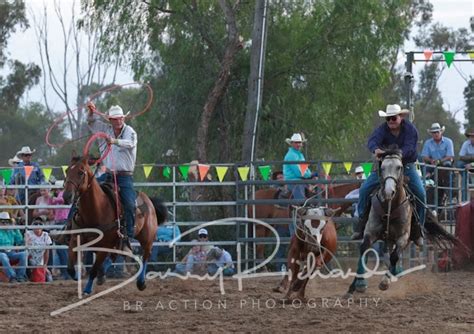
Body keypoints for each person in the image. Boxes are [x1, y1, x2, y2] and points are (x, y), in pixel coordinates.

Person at [351, 104, 426, 245]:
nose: (390, 121)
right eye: (388, 118)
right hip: (385, 166)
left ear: (400, 117)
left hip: (406, 165)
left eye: (393, 118)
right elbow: (372, 141)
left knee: (421, 193)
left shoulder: (410, 130)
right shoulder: (382, 129)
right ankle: (361, 223)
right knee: (365, 189)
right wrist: (375, 149)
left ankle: (418, 228)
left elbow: (410, 148)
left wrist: (397, 154)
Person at [86, 102, 138, 245]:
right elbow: (91, 122)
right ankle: (69, 225)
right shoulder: (105, 129)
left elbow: (130, 143)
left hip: (124, 177)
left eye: (120, 118)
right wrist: (91, 111)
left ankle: (129, 235)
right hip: (108, 175)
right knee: (84, 191)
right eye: (115, 119)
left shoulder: (130, 131)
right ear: (110, 120)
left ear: (123, 118)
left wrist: (113, 140)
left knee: (129, 204)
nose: (119, 121)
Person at [283, 133, 311, 201]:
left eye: (299, 143)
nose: (298, 144)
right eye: (296, 143)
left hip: (300, 180)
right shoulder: (291, 155)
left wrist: (308, 174)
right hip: (293, 180)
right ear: (292, 143)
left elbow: (305, 169)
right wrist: (309, 174)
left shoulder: (300, 155)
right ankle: (299, 208)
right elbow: (299, 172)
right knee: (301, 200)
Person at [0, 212, 28, 282]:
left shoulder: (12, 230)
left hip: (11, 252)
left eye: (7, 221)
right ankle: (12, 276)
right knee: (3, 256)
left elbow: (20, 241)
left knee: (24, 254)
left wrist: (15, 228)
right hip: (1, 252)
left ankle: (20, 276)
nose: (5, 223)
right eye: (3, 221)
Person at [25, 216, 53, 282]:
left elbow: (47, 252)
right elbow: (26, 246)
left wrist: (45, 265)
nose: (37, 226)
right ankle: (28, 275)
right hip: (30, 259)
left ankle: (45, 271)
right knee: (30, 260)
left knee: (49, 279)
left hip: (41, 260)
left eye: (40, 224)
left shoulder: (46, 235)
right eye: (35, 224)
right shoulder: (28, 234)